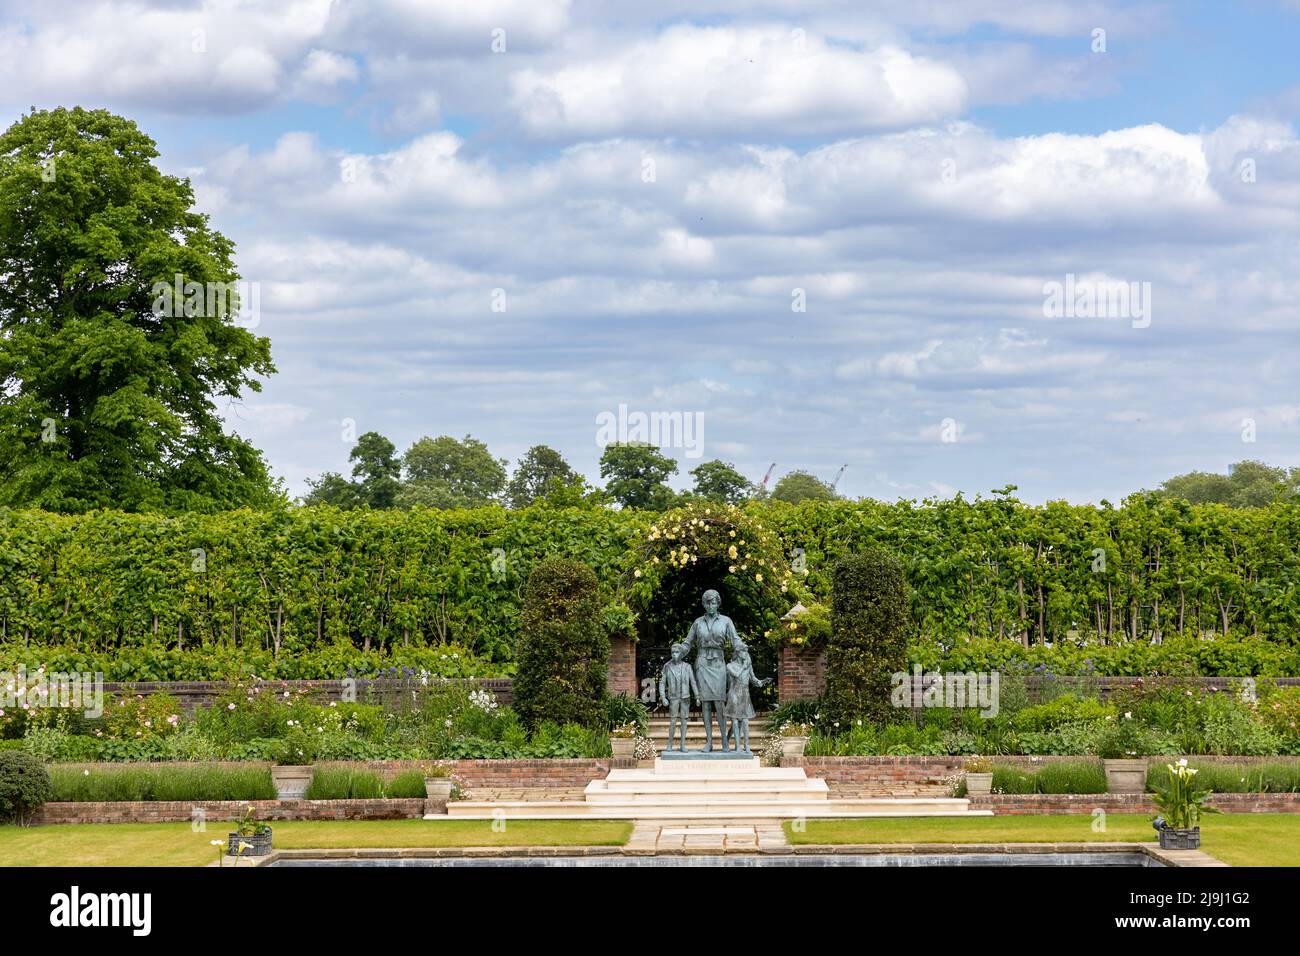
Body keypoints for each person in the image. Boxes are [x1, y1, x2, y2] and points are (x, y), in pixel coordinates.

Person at [680, 589, 742, 752]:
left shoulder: (726, 621)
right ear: (703, 604)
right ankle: (709, 741)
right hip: (702, 664)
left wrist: (741, 648)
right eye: (707, 602)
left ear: (718, 603)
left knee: (719, 703)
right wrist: (680, 650)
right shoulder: (698, 622)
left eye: (713, 602)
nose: (710, 605)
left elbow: (735, 640)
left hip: (718, 664)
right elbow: (688, 642)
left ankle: (724, 741)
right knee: (706, 704)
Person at [723, 642, 770, 753]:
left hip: (745, 694)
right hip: (734, 694)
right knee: (735, 721)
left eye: (746, 651)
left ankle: (746, 745)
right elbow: (736, 675)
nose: (745, 653)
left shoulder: (748, 665)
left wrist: (762, 681)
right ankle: (737, 746)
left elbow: (754, 679)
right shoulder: (730, 665)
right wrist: (744, 666)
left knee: (745, 721)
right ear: (738, 653)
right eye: (743, 651)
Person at [658, 643, 698, 752]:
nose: (674, 655)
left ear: (681, 654)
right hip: (674, 697)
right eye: (673, 653)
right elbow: (662, 683)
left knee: (684, 721)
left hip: (685, 697)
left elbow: (693, 682)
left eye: (677, 652)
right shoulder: (667, 666)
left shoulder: (687, 667)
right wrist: (663, 697)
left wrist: (697, 696)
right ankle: (669, 744)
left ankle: (683, 745)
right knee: (673, 721)